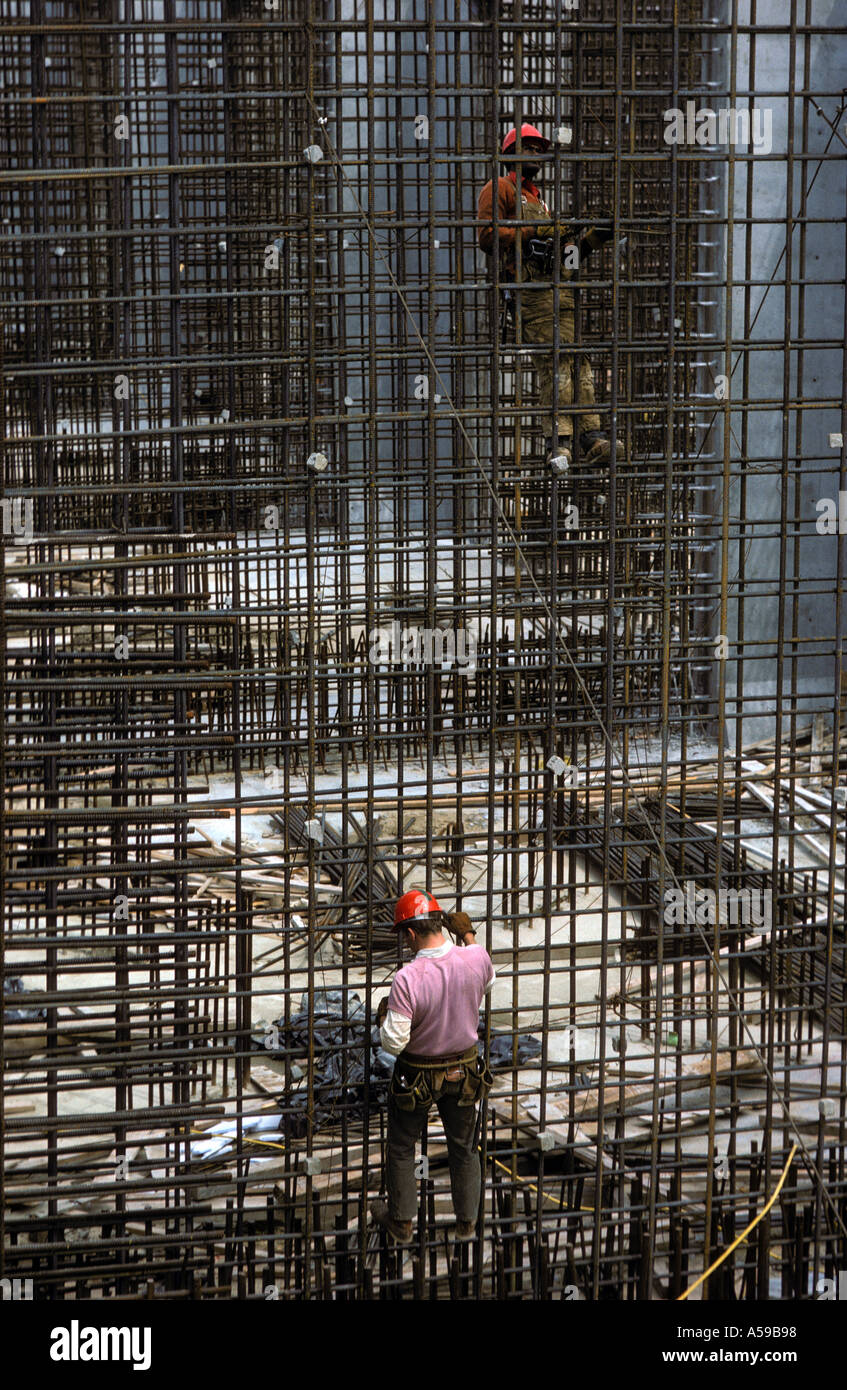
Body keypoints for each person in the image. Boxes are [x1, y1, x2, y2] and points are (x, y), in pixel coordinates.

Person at [477, 122, 625, 471]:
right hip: (531, 295)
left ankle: (590, 436)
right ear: (511, 152)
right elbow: (487, 236)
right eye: (528, 148)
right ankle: (558, 442)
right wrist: (537, 230)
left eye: (538, 149)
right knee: (556, 365)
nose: (536, 154)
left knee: (578, 363)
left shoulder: (537, 200)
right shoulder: (500, 188)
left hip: (559, 293)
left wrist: (591, 240)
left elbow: (564, 258)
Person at [371, 889, 494, 1243]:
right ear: (442, 924)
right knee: (464, 1146)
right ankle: (466, 1223)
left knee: (401, 1147)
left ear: (410, 934)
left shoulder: (408, 978)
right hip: (465, 1071)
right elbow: (486, 978)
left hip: (418, 1075)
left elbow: (393, 1043)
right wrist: (467, 934)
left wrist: (385, 1019)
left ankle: (403, 1223)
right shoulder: (476, 957)